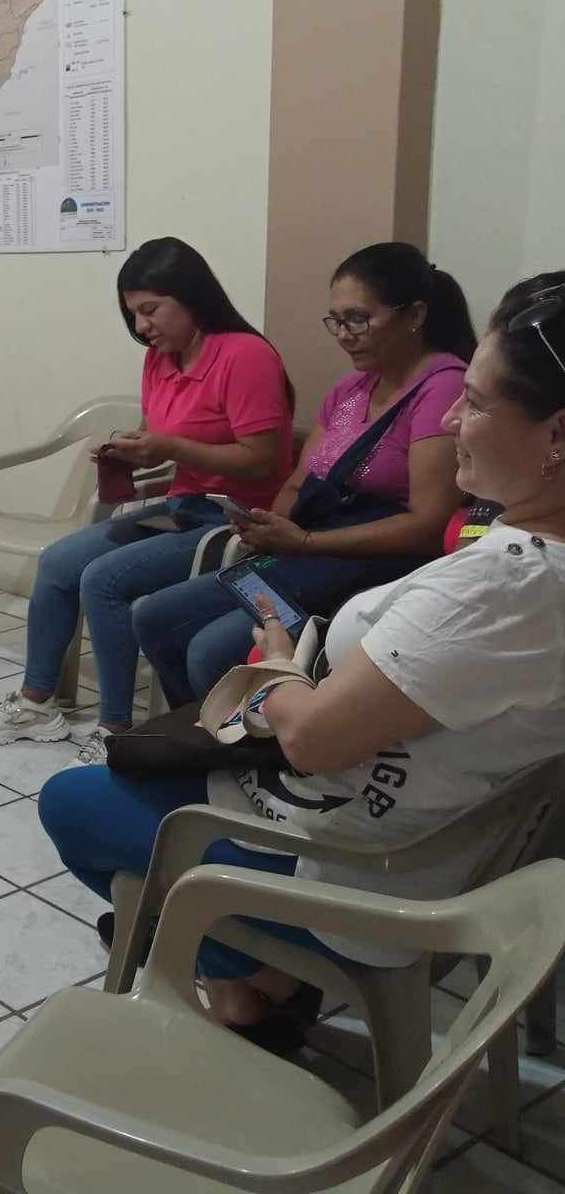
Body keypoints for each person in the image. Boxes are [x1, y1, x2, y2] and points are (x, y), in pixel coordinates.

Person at [38, 271, 565, 1046]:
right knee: (142, 646)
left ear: (556, 436)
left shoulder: (508, 586)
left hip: (365, 873)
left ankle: (242, 979)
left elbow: (312, 741)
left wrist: (279, 664)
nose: (453, 417)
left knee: (69, 801)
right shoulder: (515, 565)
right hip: (412, 827)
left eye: (477, 403)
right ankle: (250, 967)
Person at [0, 237, 294, 747]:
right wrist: (133, 452)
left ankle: (116, 728)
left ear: (191, 296)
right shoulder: (160, 359)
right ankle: (36, 704)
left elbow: (262, 459)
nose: (141, 326)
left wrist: (170, 447)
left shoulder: (245, 356)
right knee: (57, 563)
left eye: (150, 310)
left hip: (235, 522)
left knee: (103, 580)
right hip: (183, 507)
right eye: (133, 314)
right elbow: (163, 440)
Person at [133, 242, 472, 710]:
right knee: (154, 616)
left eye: (358, 320)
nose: (344, 335)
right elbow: (297, 481)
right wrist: (268, 526)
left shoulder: (443, 387)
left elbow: (428, 524)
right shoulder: (350, 389)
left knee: (210, 651)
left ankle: (249, 742)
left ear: (414, 315)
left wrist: (307, 542)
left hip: (376, 566)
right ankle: (200, 735)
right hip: (309, 552)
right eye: (336, 321)